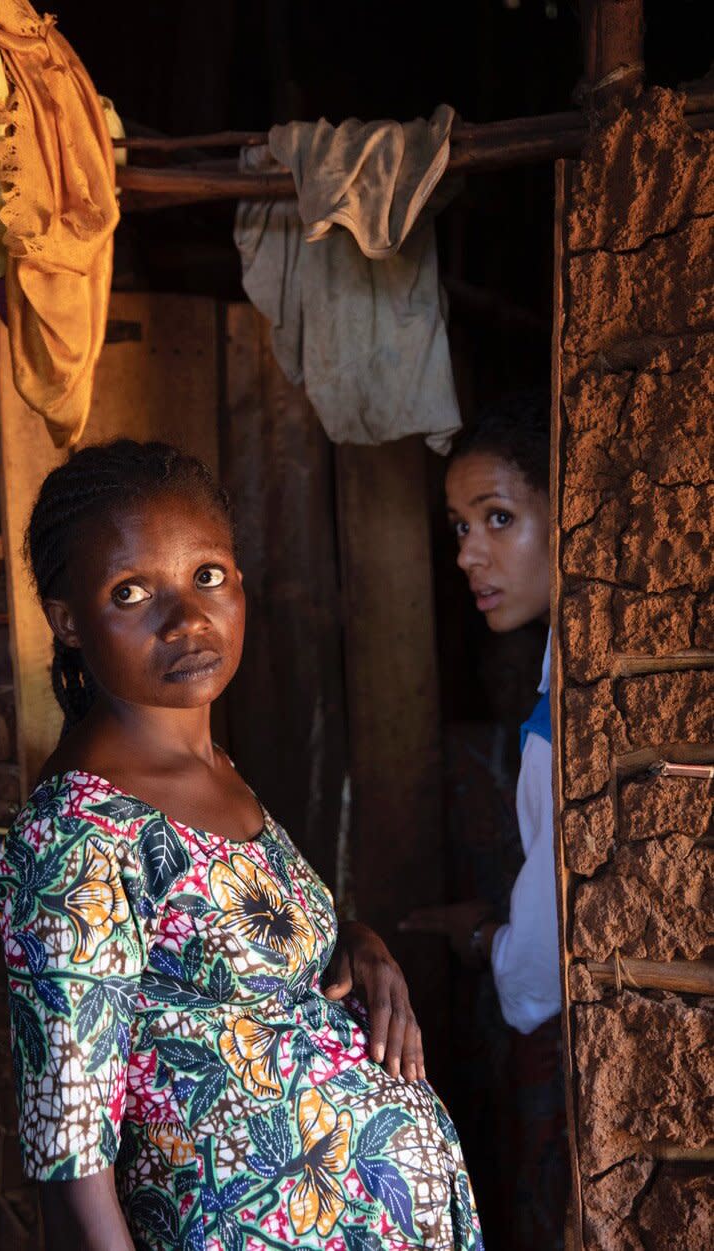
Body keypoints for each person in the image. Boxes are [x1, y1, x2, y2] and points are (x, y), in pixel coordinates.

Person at [0, 439, 484, 1251]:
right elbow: (70, 1165)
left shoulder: (216, 771)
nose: (187, 617)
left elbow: (239, 958)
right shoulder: (75, 832)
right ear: (67, 620)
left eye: (208, 575)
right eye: (131, 590)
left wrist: (356, 944)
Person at [400, 392, 566, 1249]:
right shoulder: (558, 680)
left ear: (571, 507)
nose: (468, 553)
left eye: (497, 518)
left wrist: (481, 942)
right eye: (461, 526)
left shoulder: (573, 707)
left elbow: (538, 977)